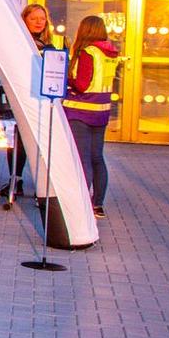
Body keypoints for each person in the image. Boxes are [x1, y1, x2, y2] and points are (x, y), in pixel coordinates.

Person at [0, 2, 60, 199]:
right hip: (19, 100)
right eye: (33, 18)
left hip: (41, 103)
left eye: (42, 19)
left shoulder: (50, 47)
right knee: (17, 142)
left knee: (40, 145)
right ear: (24, 20)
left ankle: (42, 187)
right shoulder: (15, 44)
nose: (38, 22)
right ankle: (15, 180)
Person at [63, 14, 120, 220]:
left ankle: (81, 204)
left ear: (84, 30)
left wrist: (67, 79)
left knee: (83, 158)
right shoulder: (110, 52)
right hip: (102, 111)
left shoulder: (88, 52)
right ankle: (98, 205)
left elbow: (82, 84)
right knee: (97, 157)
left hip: (81, 111)